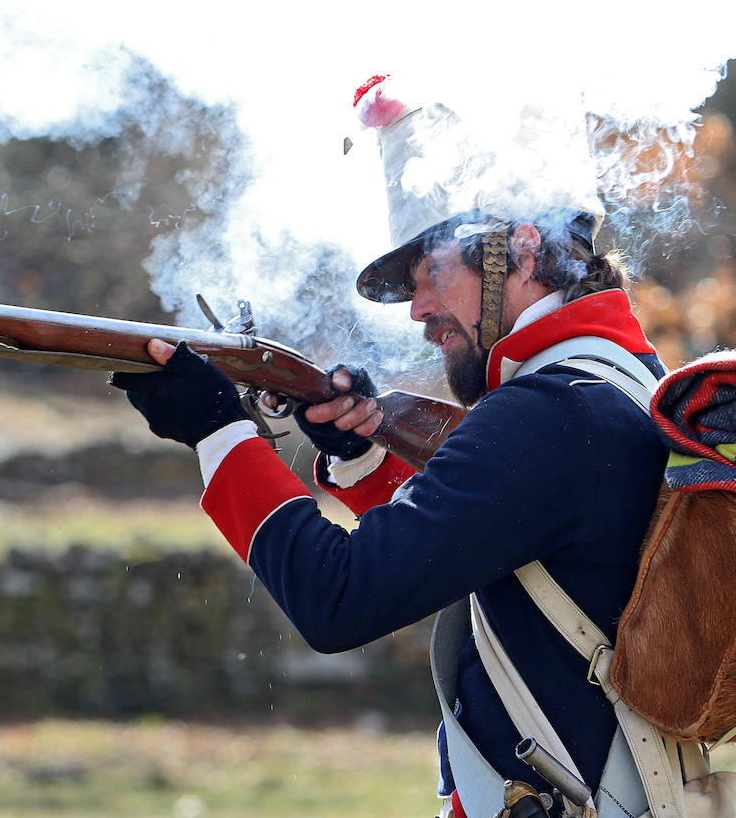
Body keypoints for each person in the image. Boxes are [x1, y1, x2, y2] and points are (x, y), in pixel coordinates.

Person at [111, 77, 672, 818]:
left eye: (432, 273)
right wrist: (360, 452)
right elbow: (487, 543)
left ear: (523, 249)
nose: (418, 311)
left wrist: (219, 430)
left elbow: (337, 600)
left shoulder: (548, 412)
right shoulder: (617, 379)